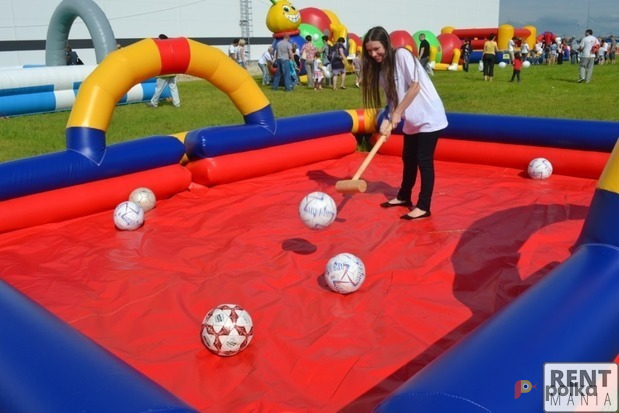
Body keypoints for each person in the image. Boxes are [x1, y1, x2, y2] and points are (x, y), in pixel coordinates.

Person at [361, 26, 448, 221]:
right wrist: (387, 120)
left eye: (377, 49)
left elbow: (415, 86)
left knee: (423, 160)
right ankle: (404, 196)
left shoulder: (401, 55)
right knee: (408, 157)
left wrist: (398, 113)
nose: (374, 54)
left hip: (429, 115)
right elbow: (392, 99)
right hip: (412, 117)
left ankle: (424, 206)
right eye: (369, 51)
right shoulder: (381, 69)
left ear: (386, 44)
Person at [146, 34, 180, 108]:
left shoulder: (160, 48)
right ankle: (177, 104)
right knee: (173, 88)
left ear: (161, 40)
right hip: (172, 71)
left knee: (159, 88)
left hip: (164, 72)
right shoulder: (171, 48)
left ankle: (154, 103)